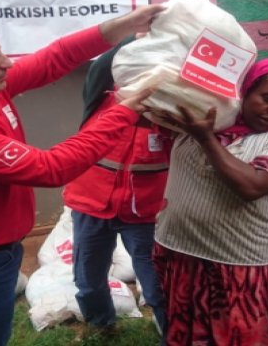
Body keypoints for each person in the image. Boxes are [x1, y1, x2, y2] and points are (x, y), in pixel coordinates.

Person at [0, 5, 163, 346]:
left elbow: (53, 59)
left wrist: (123, 25)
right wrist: (122, 112)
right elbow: (52, 168)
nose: (7, 63)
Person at [153, 58, 268, 346]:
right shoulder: (199, 119)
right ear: (244, 91)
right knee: (185, 333)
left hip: (241, 266)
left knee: (241, 337)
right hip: (183, 252)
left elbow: (251, 186)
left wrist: (206, 139)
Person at [62, 42, 169, 337]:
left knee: (157, 282)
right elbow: (100, 66)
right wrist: (135, 35)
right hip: (91, 204)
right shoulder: (100, 101)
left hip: (144, 212)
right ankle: (101, 325)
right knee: (88, 276)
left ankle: (173, 334)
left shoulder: (170, 117)